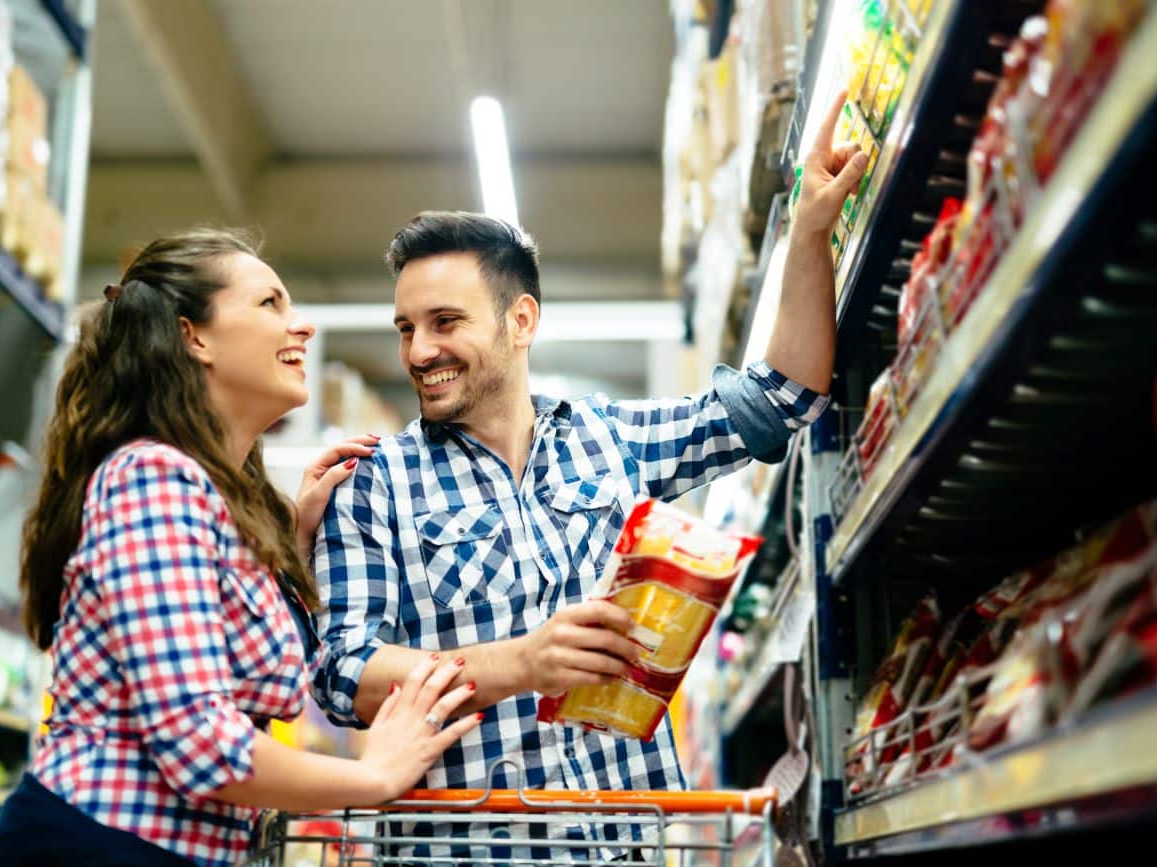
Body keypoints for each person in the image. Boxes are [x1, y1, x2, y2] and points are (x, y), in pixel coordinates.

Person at [311, 94, 867, 859]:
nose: (417, 351)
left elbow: (782, 397)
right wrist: (522, 662)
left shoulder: (607, 440)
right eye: (406, 328)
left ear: (522, 320)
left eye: (445, 321)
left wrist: (808, 231)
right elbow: (342, 671)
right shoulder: (376, 483)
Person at [0, 229, 482, 867]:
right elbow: (199, 742)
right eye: (270, 304)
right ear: (195, 336)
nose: (300, 326)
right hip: (97, 845)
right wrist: (373, 778)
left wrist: (288, 535)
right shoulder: (152, 481)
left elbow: (230, 645)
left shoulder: (212, 500)